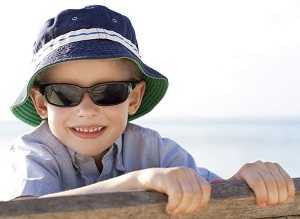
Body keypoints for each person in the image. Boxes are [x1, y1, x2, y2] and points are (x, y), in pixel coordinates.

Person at [8, 5, 294, 216]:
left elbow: (206, 191)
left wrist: (245, 180)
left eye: (109, 92)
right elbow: (30, 211)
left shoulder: (154, 150)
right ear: (42, 103)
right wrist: (136, 182)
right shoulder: (34, 153)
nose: (86, 110)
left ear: (134, 98)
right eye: (64, 94)